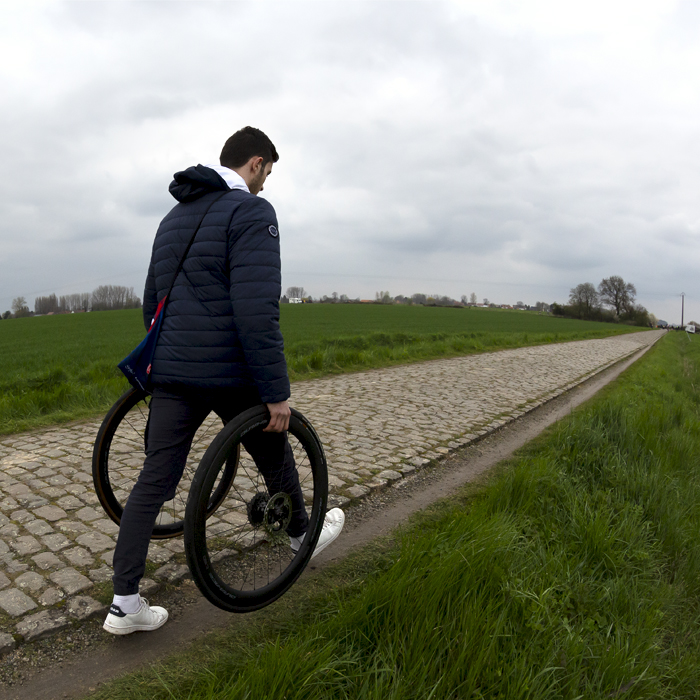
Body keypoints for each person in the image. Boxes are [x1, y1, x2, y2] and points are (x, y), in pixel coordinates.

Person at [103, 127, 345, 635]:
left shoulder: (172, 218)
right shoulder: (252, 213)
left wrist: (171, 358)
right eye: (269, 175)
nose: (266, 186)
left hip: (172, 372)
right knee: (277, 446)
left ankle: (123, 603)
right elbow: (257, 311)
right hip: (230, 372)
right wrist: (276, 393)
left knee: (154, 479)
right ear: (256, 164)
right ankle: (303, 534)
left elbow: (152, 304)